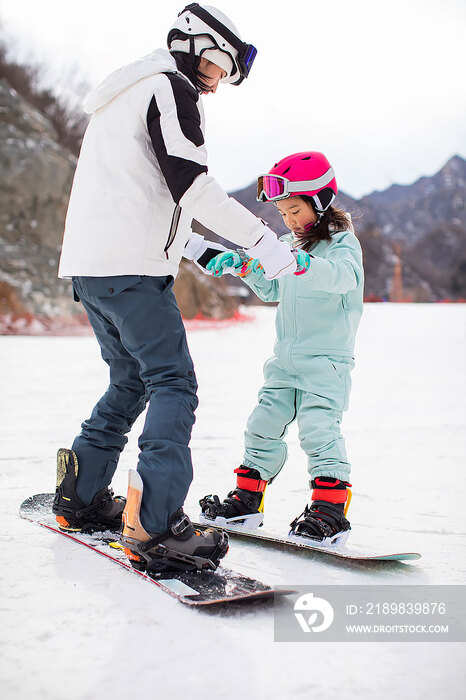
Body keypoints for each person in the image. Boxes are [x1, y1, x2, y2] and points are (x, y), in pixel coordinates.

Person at [53, 3, 300, 575]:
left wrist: (196, 248)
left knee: (131, 380)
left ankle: (81, 495)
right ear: (199, 48)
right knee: (173, 384)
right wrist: (265, 242)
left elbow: (144, 193)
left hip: (93, 268)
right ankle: (157, 527)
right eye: (217, 70)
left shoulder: (122, 96)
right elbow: (192, 185)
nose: (214, 86)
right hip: (133, 270)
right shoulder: (171, 87)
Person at [199, 151, 364, 546]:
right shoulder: (292, 245)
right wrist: (245, 267)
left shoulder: (343, 246)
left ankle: (329, 510)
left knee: (318, 429)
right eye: (282, 213)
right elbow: (275, 286)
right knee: (262, 425)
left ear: (320, 202)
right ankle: (245, 502)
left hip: (326, 361)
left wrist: (298, 262)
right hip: (284, 361)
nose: (288, 220)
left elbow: (343, 278)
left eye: (294, 210)